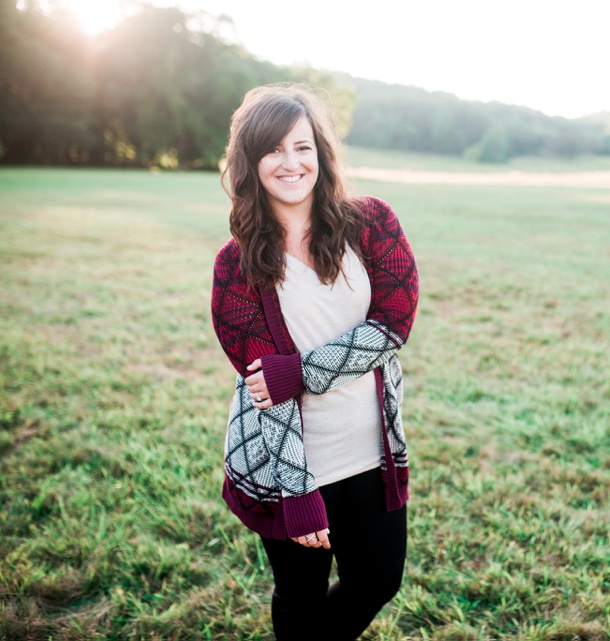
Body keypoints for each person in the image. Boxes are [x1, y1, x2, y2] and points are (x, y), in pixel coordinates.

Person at [210, 84, 419, 639]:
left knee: (377, 579)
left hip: (370, 451)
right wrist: (295, 491)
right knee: (300, 596)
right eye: (273, 150)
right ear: (250, 163)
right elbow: (264, 389)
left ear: (321, 153)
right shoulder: (236, 266)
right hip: (291, 461)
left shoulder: (372, 224)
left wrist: (300, 372)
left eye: (302, 147)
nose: (290, 162)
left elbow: (392, 327)